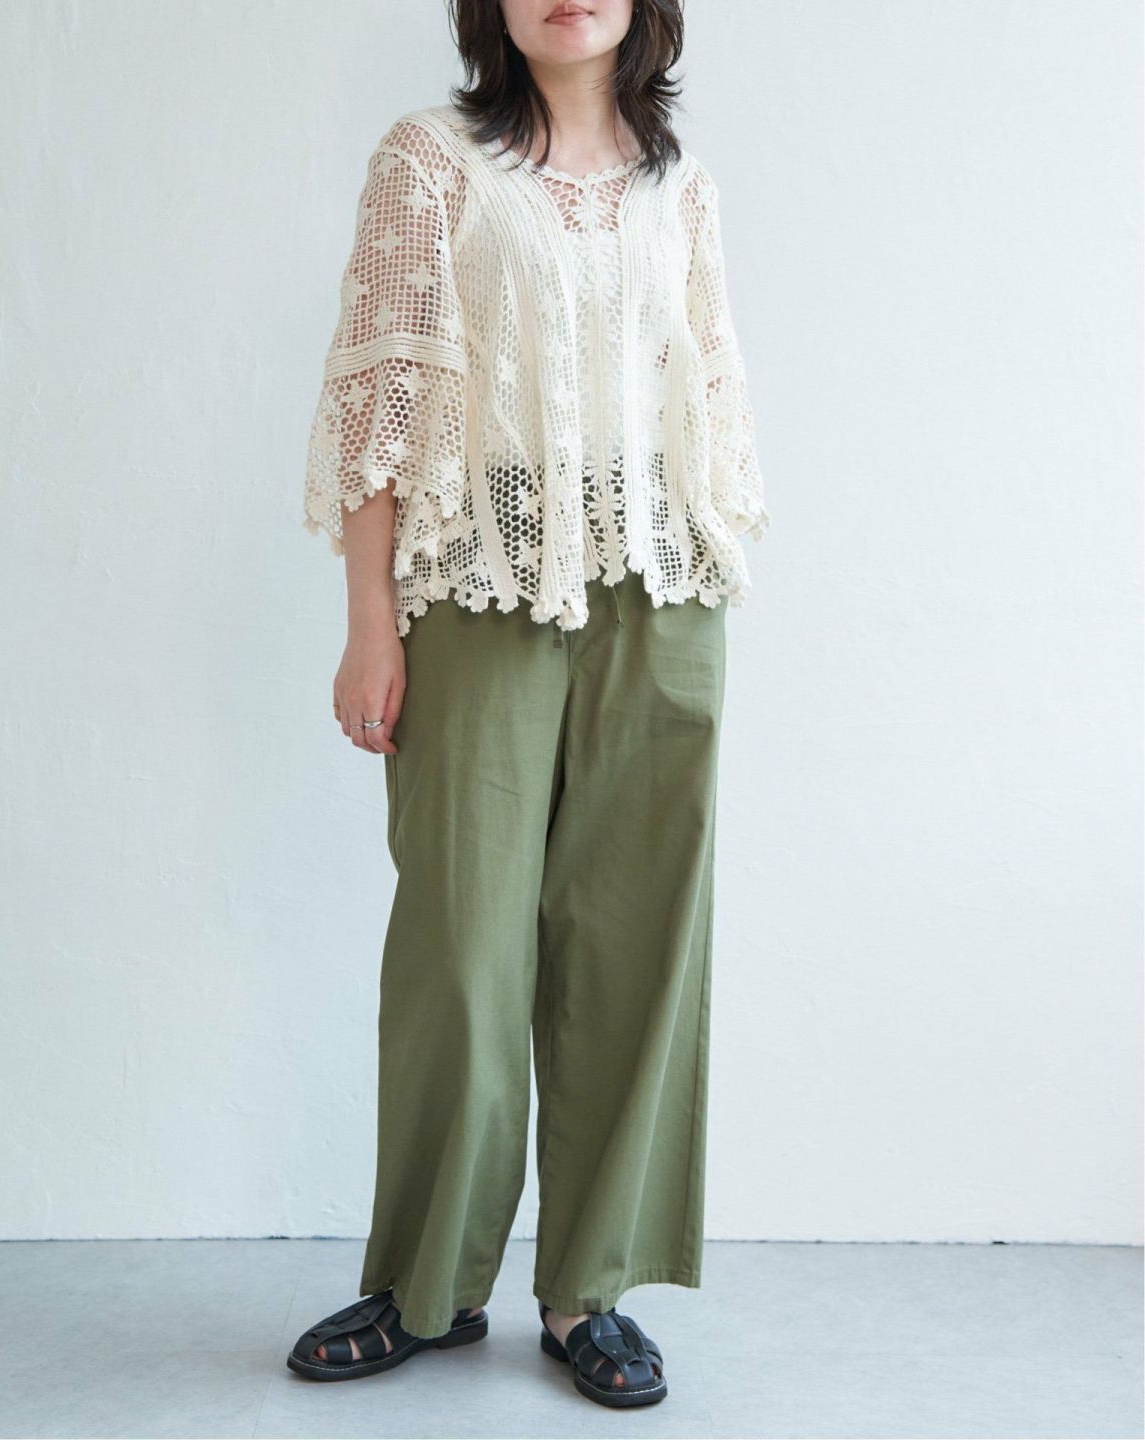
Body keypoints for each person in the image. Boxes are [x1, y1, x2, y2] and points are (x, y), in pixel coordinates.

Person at [287, 0, 768, 1410]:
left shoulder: (681, 185)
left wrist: (712, 550)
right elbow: (378, 401)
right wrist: (371, 623)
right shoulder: (430, 161)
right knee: (461, 944)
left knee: (635, 944)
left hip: (660, 588)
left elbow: (706, 384)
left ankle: (588, 1292)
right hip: (479, 576)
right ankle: (428, 1283)